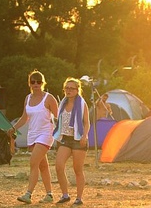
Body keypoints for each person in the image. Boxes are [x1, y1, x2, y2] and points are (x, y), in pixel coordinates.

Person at [8, 70, 58, 204]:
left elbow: (58, 116)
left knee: (33, 162)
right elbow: (25, 118)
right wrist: (13, 128)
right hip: (33, 134)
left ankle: (28, 194)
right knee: (43, 166)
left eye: (39, 81)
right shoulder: (28, 98)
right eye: (33, 81)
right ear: (29, 83)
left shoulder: (49, 98)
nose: (36, 84)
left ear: (43, 83)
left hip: (46, 133)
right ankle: (49, 195)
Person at [53, 77, 90, 206]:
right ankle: (65, 195)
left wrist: (84, 136)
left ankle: (79, 198)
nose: (68, 90)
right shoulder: (62, 103)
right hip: (65, 139)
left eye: (71, 88)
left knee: (77, 169)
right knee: (58, 166)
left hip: (78, 139)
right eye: (66, 88)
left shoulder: (81, 104)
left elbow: (86, 123)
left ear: (77, 90)